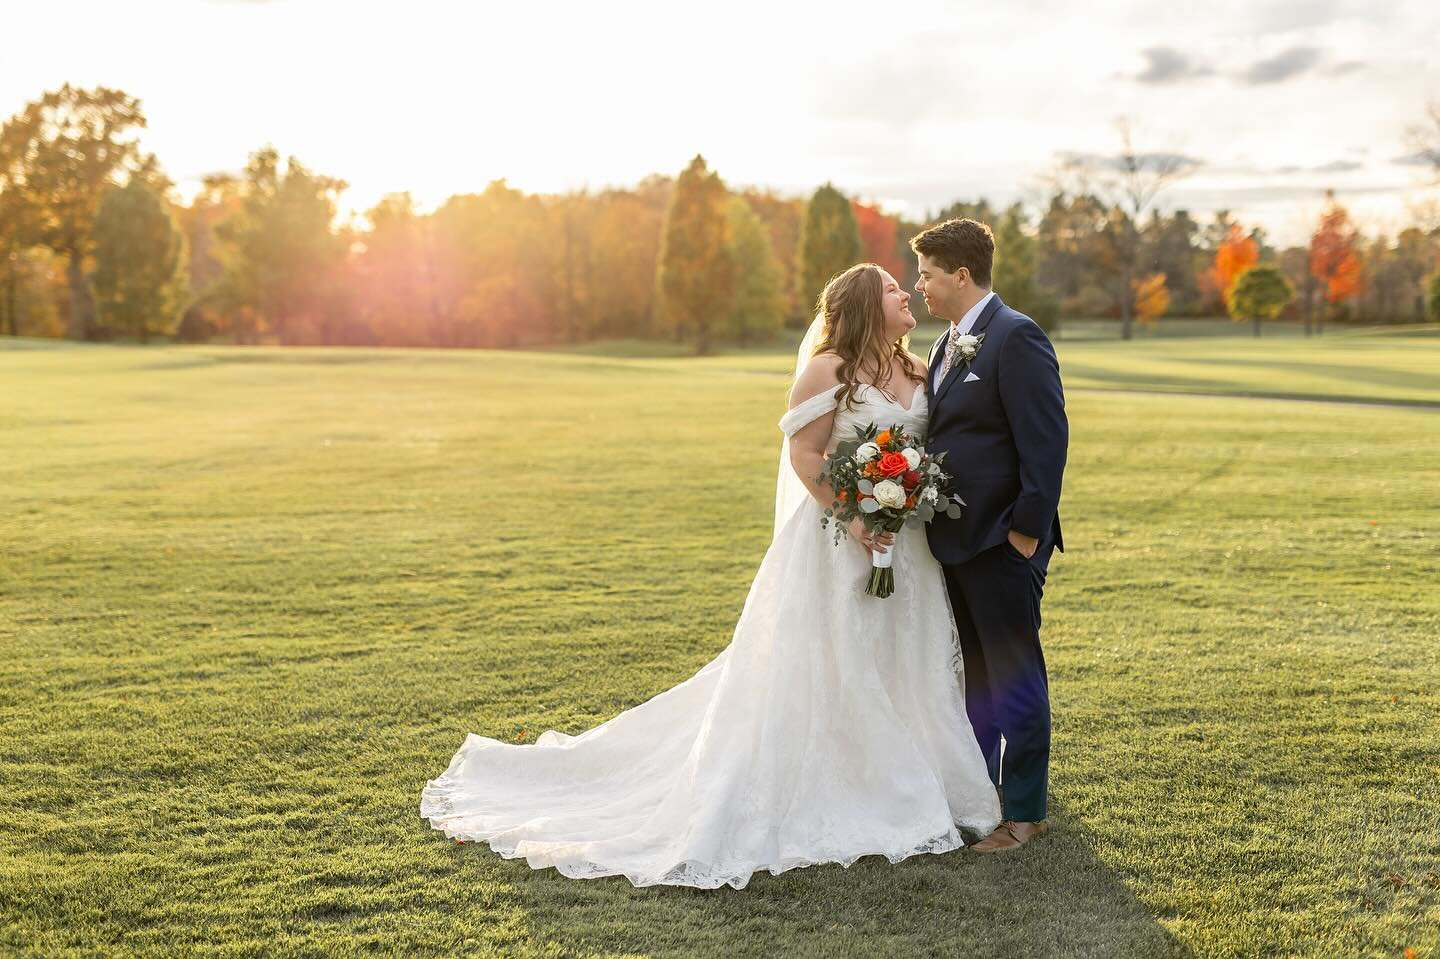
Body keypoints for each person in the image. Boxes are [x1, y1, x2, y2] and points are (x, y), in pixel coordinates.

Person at [420, 263, 1002, 889]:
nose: (907, 293)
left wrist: (905, 499)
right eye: (893, 288)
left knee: (906, 659)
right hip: (841, 541)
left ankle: (918, 777)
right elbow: (805, 454)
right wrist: (856, 518)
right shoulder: (828, 370)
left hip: (908, 547)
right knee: (836, 659)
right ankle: (854, 785)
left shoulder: (919, 369)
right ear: (865, 304)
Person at [912, 218, 1068, 852]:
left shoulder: (1015, 336)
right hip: (956, 543)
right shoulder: (950, 343)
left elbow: (1047, 443)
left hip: (1002, 543)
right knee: (975, 675)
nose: (919, 285)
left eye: (926, 274)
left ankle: (1024, 814)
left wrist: (1024, 536)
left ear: (961, 275)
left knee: (1014, 673)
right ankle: (983, 796)